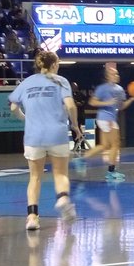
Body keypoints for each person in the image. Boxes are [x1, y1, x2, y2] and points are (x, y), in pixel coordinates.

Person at [8, 51, 81, 231]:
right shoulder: (60, 81)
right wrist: (75, 125)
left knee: (35, 177)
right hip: (57, 134)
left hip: (34, 136)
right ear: (54, 64)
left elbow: (13, 107)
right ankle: (63, 198)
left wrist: (25, 119)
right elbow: (71, 105)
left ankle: (32, 217)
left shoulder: (27, 82)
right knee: (60, 173)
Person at [82, 65, 134, 180]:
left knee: (105, 145)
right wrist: (106, 103)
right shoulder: (103, 88)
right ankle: (111, 172)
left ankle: (81, 159)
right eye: (113, 74)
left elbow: (121, 106)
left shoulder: (120, 89)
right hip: (106, 118)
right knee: (115, 144)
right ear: (107, 76)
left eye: (117, 74)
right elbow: (92, 102)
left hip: (109, 118)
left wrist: (132, 99)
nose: (116, 76)